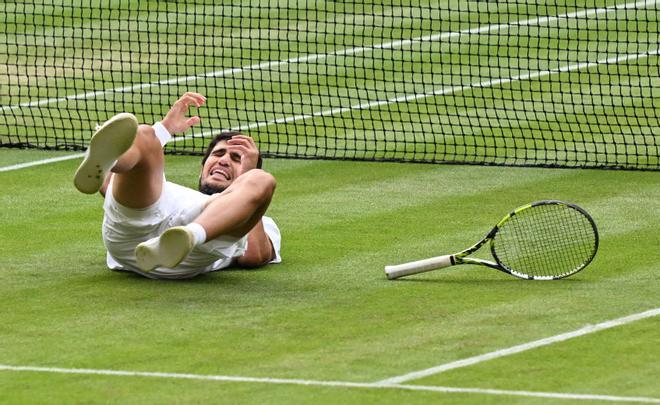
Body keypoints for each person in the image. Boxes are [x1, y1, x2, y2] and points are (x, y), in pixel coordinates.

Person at [73, 92, 281, 279]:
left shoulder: (263, 221)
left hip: (193, 253)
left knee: (263, 180)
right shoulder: (164, 191)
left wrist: (249, 175)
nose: (224, 160)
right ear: (202, 168)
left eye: (237, 158)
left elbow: (254, 254)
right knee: (146, 134)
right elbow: (113, 187)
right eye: (218, 154)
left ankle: (188, 236)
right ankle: (111, 160)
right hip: (133, 234)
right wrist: (164, 130)